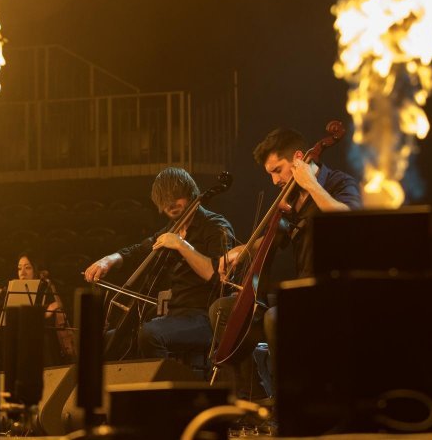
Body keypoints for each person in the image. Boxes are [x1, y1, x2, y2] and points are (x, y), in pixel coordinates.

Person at [210, 127, 362, 399]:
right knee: (224, 311)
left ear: (299, 160)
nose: (274, 180)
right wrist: (241, 251)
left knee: (276, 317)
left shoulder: (338, 183)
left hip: (335, 293)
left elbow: (348, 218)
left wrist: (311, 185)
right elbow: (270, 239)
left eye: (277, 170)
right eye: (270, 173)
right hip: (301, 294)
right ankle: (247, 401)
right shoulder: (289, 200)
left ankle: (291, 401)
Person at [84, 167, 234, 367]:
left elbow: (217, 275)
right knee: (109, 339)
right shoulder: (170, 230)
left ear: (190, 193)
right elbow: (138, 251)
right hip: (175, 316)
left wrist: (181, 245)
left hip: (206, 317)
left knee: (150, 334)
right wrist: (108, 260)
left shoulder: (215, 225)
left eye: (175, 197)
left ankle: (166, 392)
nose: (170, 205)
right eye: (164, 201)